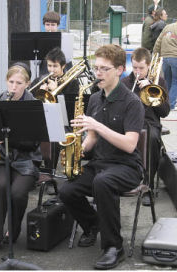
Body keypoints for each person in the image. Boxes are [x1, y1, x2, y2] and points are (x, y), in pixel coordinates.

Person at [59, 44, 145, 270]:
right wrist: (78, 150)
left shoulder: (132, 102)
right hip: (101, 164)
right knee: (66, 189)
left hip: (127, 167)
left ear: (119, 69)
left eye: (104, 69)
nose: (98, 74)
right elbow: (94, 139)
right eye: (96, 68)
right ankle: (93, 224)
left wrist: (96, 125)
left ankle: (114, 247)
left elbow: (129, 145)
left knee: (102, 182)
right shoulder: (95, 99)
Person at [0, 63, 41, 255]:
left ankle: (13, 231)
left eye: (19, 83)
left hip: (27, 161)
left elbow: (33, 143)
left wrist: (9, 137)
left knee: (17, 193)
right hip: (1, 159)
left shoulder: (33, 105)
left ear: (27, 84)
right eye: (11, 82)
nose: (13, 87)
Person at [122, 47, 170, 206]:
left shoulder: (159, 82)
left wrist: (150, 91)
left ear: (149, 66)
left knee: (151, 138)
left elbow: (164, 112)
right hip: (129, 124)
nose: (137, 71)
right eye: (134, 67)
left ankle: (147, 186)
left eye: (141, 68)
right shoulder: (125, 83)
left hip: (150, 124)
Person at [39, 11, 73, 76]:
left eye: (53, 25)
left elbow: (68, 60)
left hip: (62, 70)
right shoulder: (40, 39)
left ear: (58, 25)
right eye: (47, 25)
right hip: (45, 70)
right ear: (44, 25)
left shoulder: (64, 38)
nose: (50, 28)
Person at [153, 21, 177, 109]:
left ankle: (165, 103)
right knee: (175, 81)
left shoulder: (167, 27)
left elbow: (158, 41)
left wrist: (155, 54)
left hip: (165, 57)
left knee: (167, 81)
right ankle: (171, 104)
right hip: (175, 57)